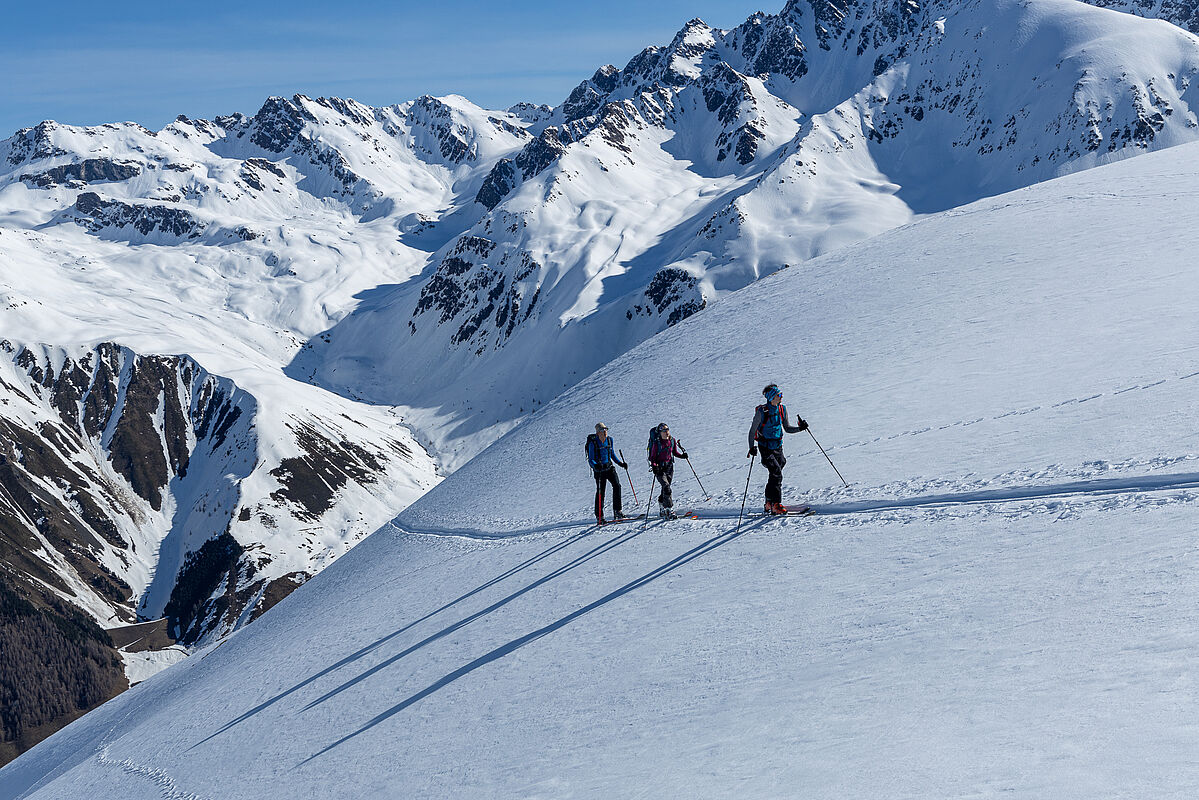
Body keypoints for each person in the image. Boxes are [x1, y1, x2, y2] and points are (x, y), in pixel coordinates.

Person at [747, 384, 808, 514]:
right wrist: (751, 447)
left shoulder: (782, 409)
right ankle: (776, 504)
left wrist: (800, 428)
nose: (781, 397)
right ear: (771, 397)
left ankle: (768, 502)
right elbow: (752, 432)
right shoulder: (762, 412)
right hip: (765, 447)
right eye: (778, 395)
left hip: (778, 446)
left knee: (778, 468)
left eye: (781, 394)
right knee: (776, 472)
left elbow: (787, 428)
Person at [587, 422, 628, 524]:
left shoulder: (610, 440)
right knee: (601, 493)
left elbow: (612, 453)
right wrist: (596, 465)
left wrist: (620, 463)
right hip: (599, 471)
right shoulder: (593, 443)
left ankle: (617, 511)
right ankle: (599, 516)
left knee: (617, 486)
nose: (605, 432)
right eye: (602, 430)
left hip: (609, 468)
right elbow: (591, 459)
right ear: (597, 433)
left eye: (605, 430)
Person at [647, 422, 688, 519]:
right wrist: (654, 467)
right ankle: (669, 509)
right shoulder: (657, 443)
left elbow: (674, 452)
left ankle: (662, 506)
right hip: (659, 468)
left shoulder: (672, 440)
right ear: (660, 432)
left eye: (667, 430)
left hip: (669, 467)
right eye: (664, 430)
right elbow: (652, 458)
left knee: (666, 488)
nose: (666, 432)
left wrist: (682, 456)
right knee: (666, 487)